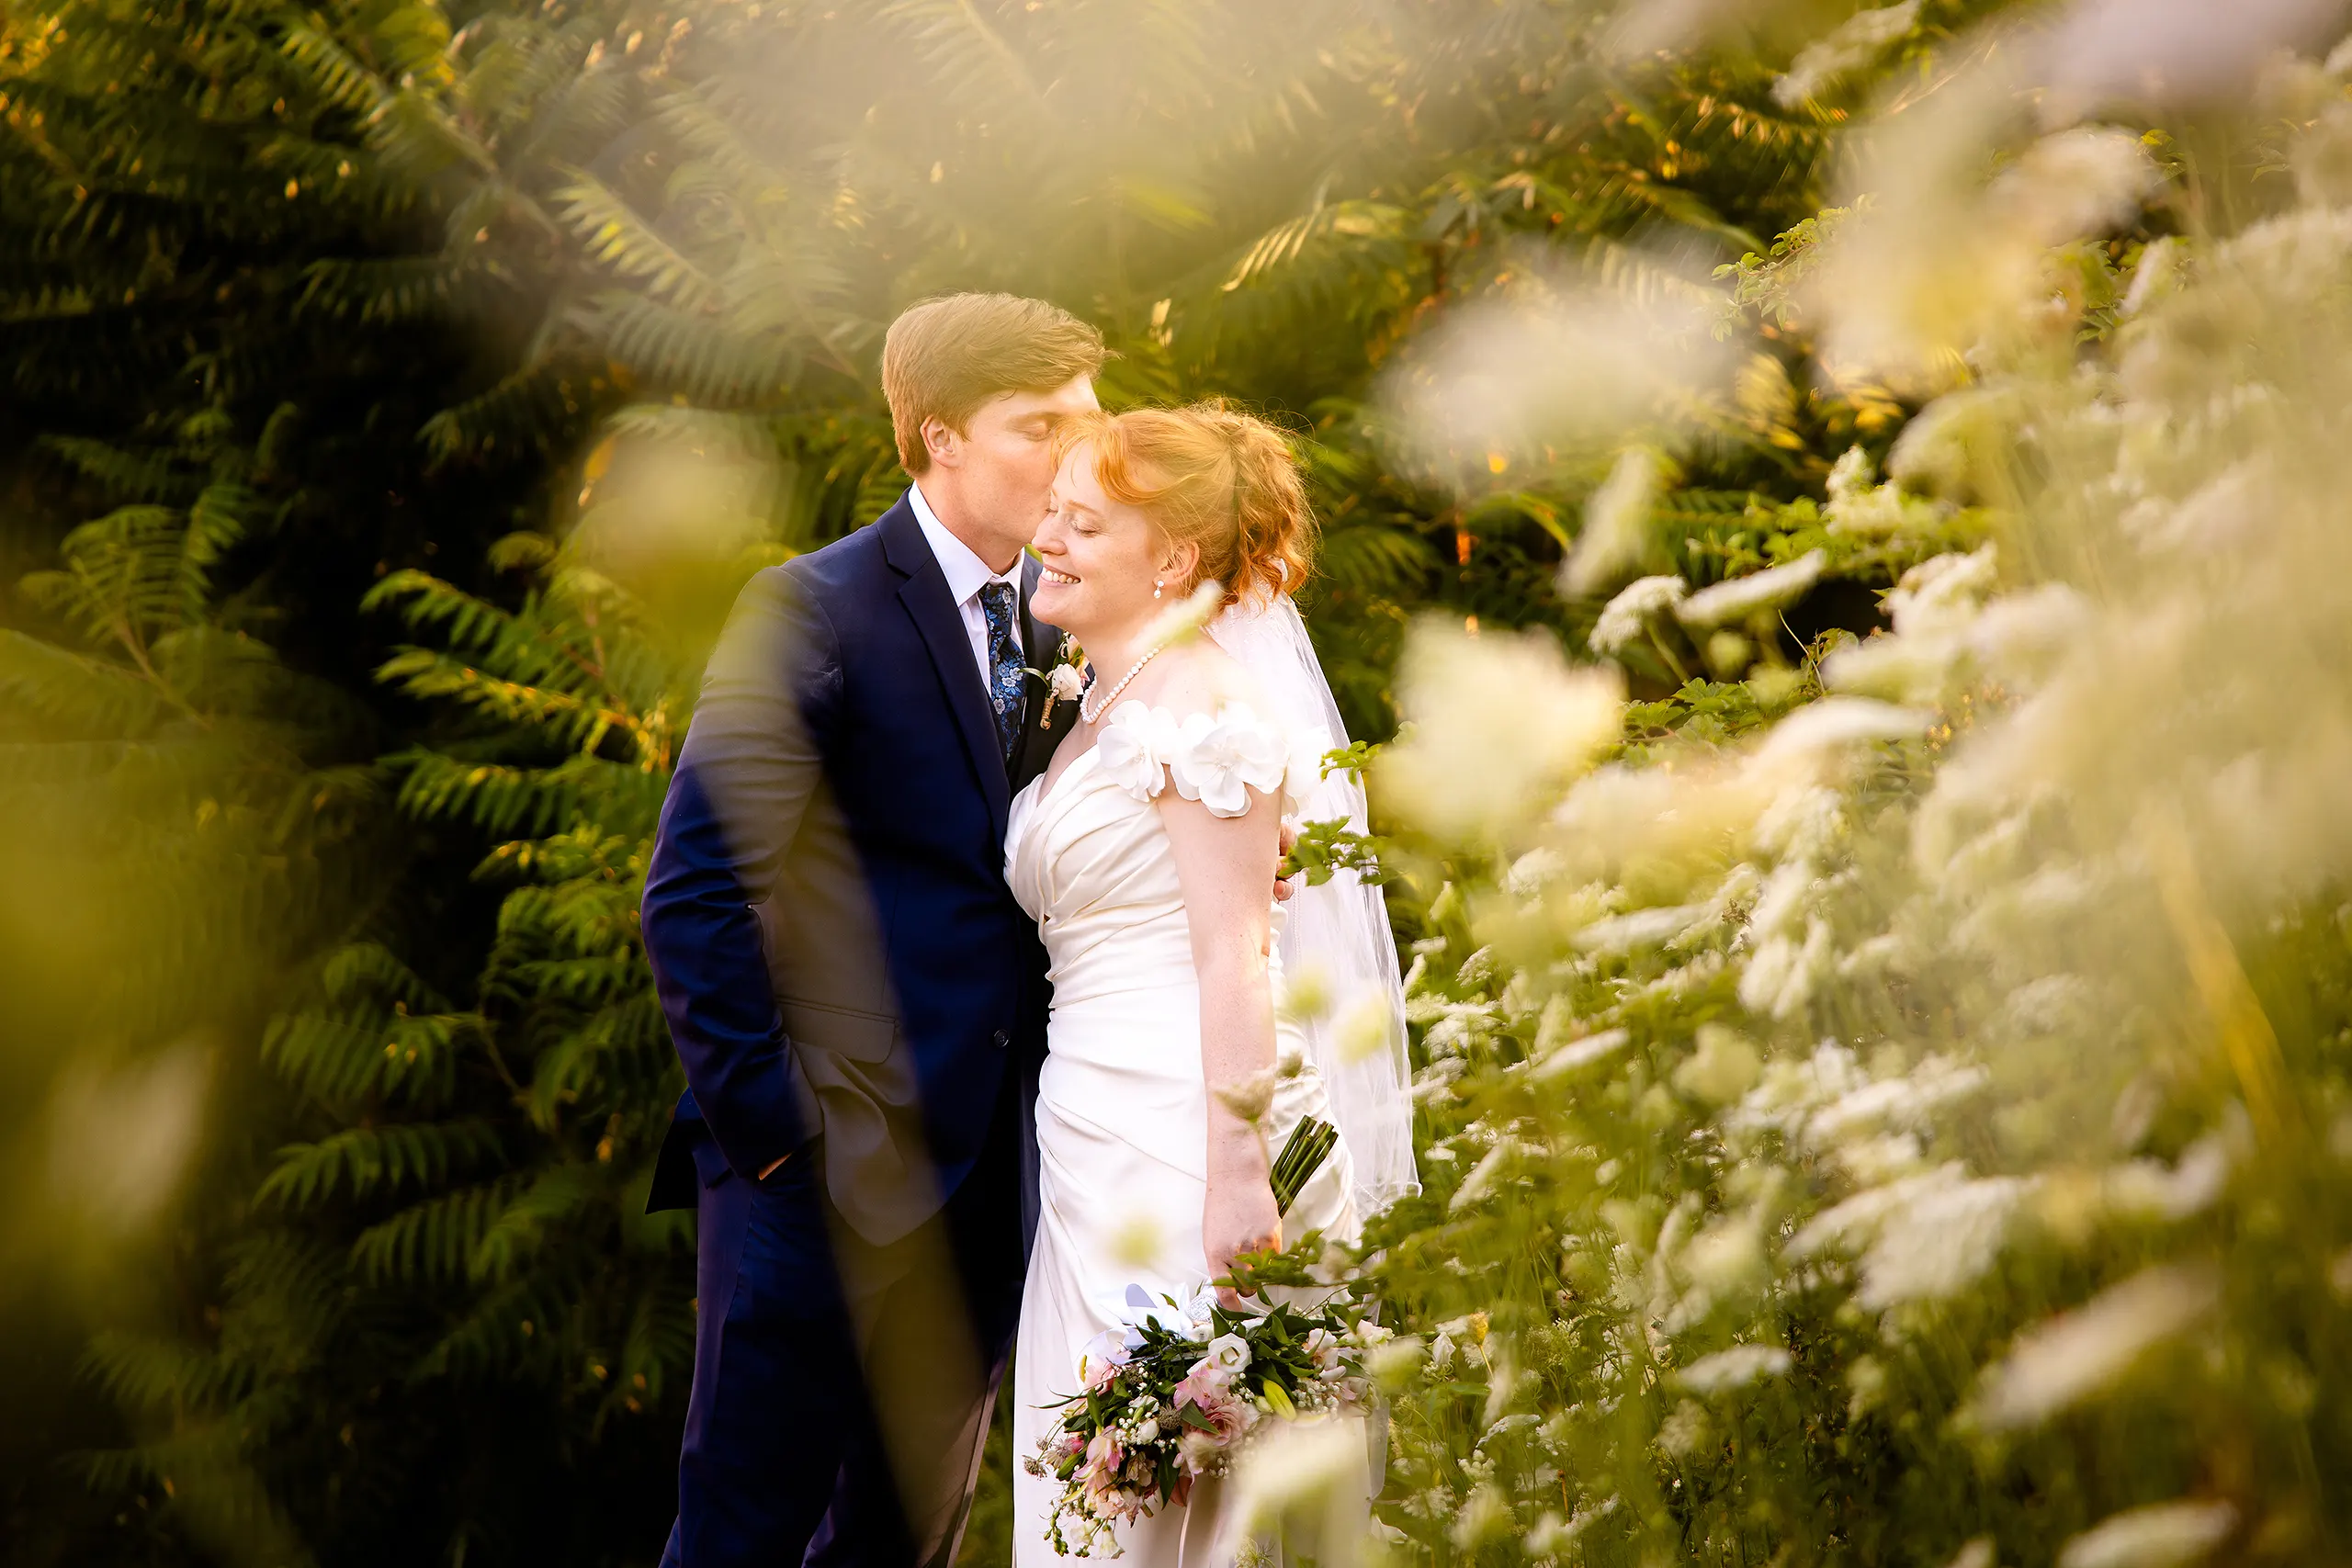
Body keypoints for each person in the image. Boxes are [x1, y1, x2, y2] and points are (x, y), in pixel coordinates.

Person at [640, 291, 1102, 1568]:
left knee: (909, 1543)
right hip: (821, 1174)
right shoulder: (815, 606)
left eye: (1087, 421)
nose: (1076, 455)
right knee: (739, 1535)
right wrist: (782, 1141)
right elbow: (694, 890)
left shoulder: (1079, 622)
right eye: (1039, 425)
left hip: (997, 1185)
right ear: (940, 436)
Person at [1005, 404, 1417, 1566]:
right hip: (1091, 1127)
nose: (1051, 539)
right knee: (1095, 1495)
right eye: (1054, 515)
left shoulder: (1206, 709)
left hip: (1193, 1135)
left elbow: (1232, 949)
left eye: (1084, 523)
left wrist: (1239, 1176)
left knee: (1186, 1508)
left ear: (1173, 560)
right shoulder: (1098, 703)